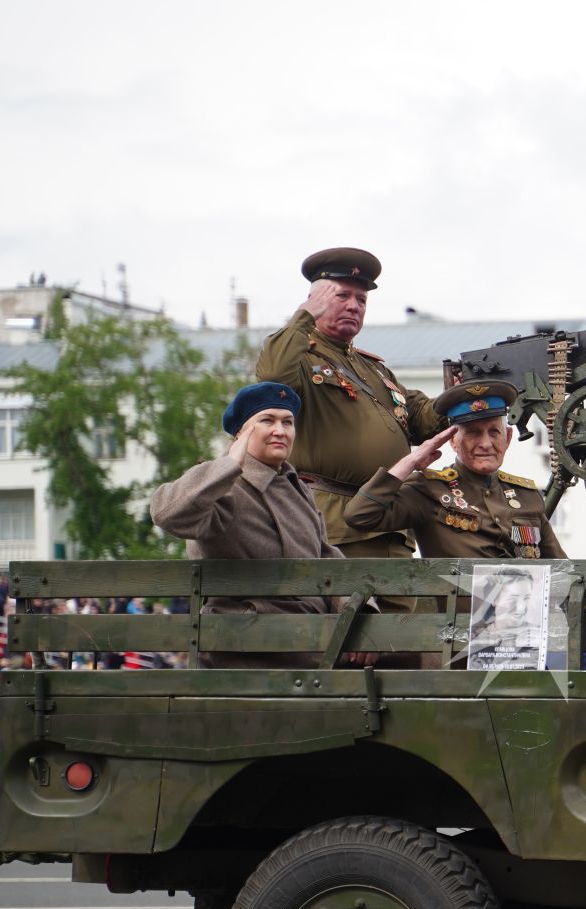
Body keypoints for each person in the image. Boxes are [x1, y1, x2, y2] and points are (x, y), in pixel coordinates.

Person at [254, 247, 441, 589]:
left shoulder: (373, 369)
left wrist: (459, 396)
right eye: (342, 295)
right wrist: (303, 317)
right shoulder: (300, 357)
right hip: (335, 526)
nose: (354, 306)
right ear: (316, 299)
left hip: (388, 521)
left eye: (362, 299)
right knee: (350, 634)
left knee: (396, 633)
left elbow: (421, 418)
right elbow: (272, 376)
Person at [148, 382, 350, 668]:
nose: (280, 430)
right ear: (241, 433)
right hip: (246, 643)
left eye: (288, 422)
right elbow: (166, 512)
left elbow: (328, 559)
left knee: (411, 651)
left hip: (309, 636)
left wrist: (359, 613)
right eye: (267, 420)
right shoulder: (220, 486)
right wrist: (230, 463)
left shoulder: (298, 489)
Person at [342, 381, 565, 561]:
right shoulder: (429, 489)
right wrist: (411, 461)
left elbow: (561, 567)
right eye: (473, 433)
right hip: (460, 615)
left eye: (494, 432)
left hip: (523, 613)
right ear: (453, 442)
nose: (486, 443)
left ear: (507, 438)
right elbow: (360, 515)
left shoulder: (526, 496)